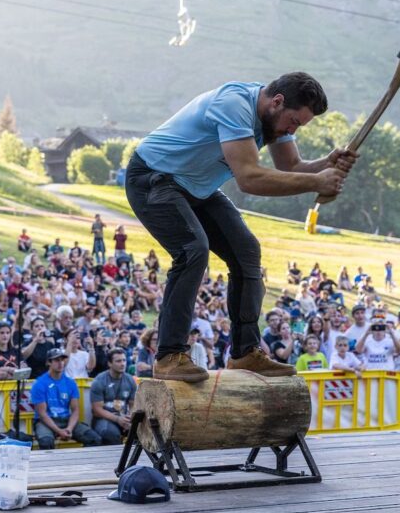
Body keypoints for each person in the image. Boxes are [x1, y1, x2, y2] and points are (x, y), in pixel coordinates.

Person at [125, 73, 355, 382]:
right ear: (277, 102)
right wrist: (318, 181)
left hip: (196, 188)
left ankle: (245, 353)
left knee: (246, 250)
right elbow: (249, 178)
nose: (292, 130)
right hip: (153, 178)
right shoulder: (234, 105)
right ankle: (169, 356)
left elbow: (291, 168)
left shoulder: (273, 117)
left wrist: (326, 163)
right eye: (294, 123)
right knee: (192, 251)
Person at [29, 348, 102, 450]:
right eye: (56, 360)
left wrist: (69, 429)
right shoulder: (40, 383)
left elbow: (75, 410)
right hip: (46, 422)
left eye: (62, 360)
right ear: (48, 362)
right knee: (46, 442)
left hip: (66, 420)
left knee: (94, 439)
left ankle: (83, 465)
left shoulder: (70, 383)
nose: (61, 363)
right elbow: (42, 414)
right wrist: (59, 431)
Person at [90, 349, 137, 445]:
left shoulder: (130, 380)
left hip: (123, 418)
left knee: (139, 431)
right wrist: (117, 419)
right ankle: (115, 459)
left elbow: (133, 405)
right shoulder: (99, 380)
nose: (123, 364)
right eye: (118, 361)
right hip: (103, 419)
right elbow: (97, 410)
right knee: (109, 433)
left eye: (124, 360)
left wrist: (130, 418)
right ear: (109, 363)